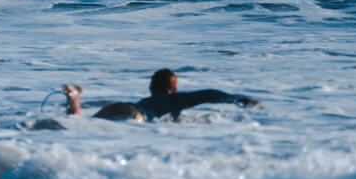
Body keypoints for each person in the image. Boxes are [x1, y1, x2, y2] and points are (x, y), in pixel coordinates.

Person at [62, 69, 261, 122]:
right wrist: (242, 101)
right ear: (170, 89)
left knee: (83, 124)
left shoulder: (148, 100)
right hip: (134, 114)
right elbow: (207, 94)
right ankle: (74, 97)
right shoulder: (170, 100)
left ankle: (74, 97)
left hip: (120, 106)